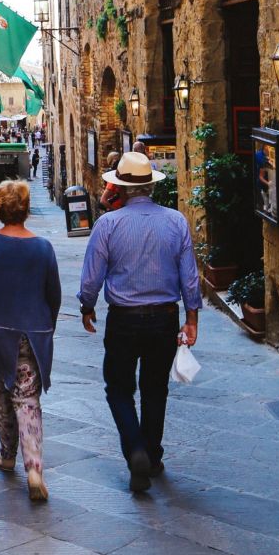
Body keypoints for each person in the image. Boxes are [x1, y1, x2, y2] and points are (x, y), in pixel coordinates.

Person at [78, 152, 201, 493]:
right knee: (155, 389)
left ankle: (135, 450)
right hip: (164, 317)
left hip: (124, 319)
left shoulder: (108, 224)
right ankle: (152, 453)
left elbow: (92, 277)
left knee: (119, 389)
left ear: (119, 187)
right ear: (150, 186)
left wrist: (87, 305)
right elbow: (189, 277)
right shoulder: (176, 221)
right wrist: (191, 318)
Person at [0, 180, 61, 502]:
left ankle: (7, 455)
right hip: (32, 332)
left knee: (1, 392)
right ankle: (34, 467)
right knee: (27, 397)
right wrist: (48, 326)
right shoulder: (43, 247)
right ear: (26, 208)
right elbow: (54, 296)